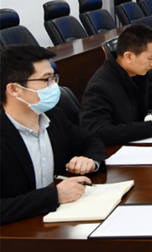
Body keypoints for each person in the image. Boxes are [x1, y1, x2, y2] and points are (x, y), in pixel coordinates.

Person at [1, 45, 106, 225]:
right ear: (14, 89)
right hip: (17, 232)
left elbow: (90, 140)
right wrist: (54, 195)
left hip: (59, 221)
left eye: (54, 78)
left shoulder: (53, 116)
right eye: (46, 80)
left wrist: (89, 160)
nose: (54, 86)